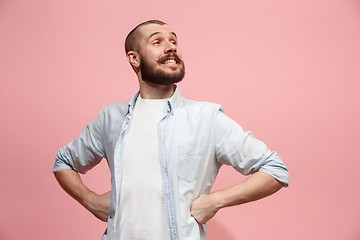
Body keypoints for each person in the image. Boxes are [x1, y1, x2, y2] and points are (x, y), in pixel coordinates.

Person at [53, 20, 289, 240]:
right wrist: (90, 200)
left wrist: (216, 201)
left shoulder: (206, 118)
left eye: (174, 41)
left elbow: (275, 170)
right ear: (134, 59)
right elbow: (64, 162)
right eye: (158, 42)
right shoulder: (110, 118)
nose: (171, 48)